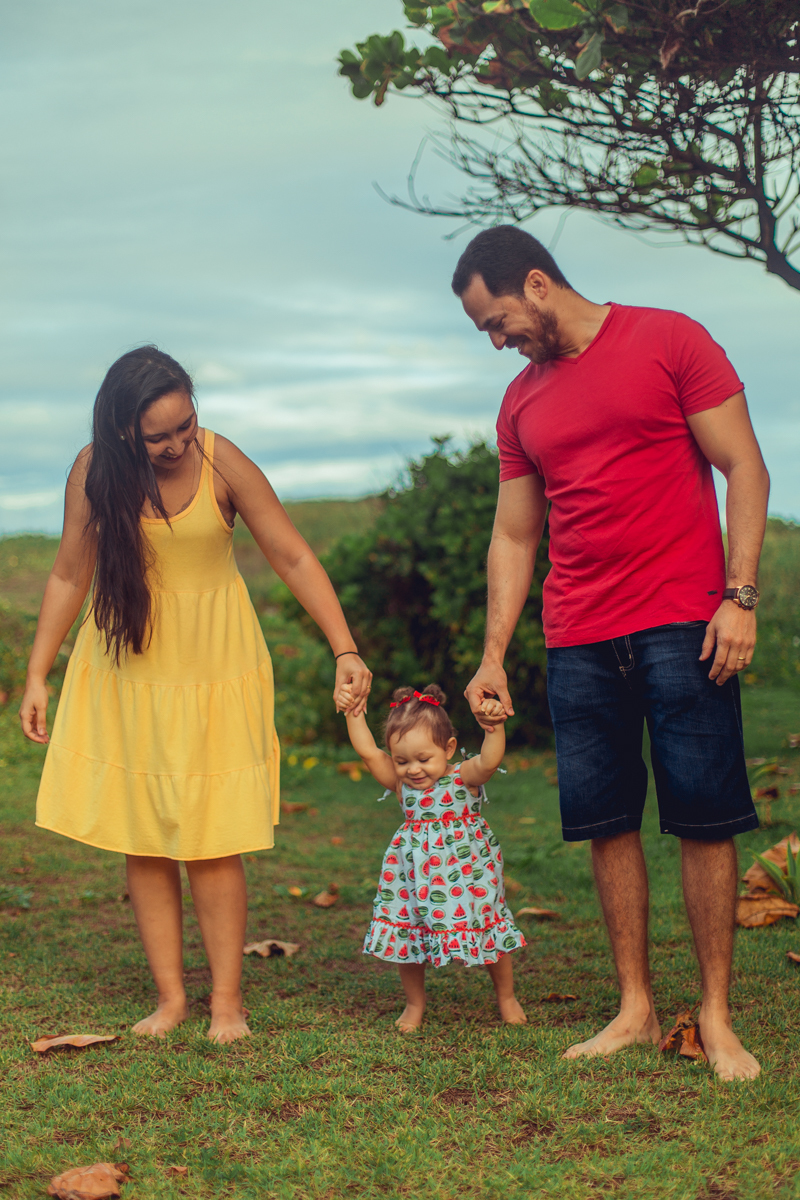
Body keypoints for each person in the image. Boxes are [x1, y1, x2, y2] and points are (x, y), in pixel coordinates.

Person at [454, 225, 770, 1081]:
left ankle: (714, 1015)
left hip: (683, 621)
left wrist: (739, 596)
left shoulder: (670, 339)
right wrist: (493, 655)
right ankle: (634, 1007)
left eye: (499, 320)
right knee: (607, 821)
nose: (498, 341)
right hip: (579, 634)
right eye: (485, 330)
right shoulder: (521, 403)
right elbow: (515, 536)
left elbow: (744, 466)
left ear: (536, 283)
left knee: (703, 815)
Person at [19, 346, 371, 1044]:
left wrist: (345, 646)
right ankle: (173, 999)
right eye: (160, 436)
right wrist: (38, 673)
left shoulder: (220, 461)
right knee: (144, 836)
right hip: (128, 671)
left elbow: (292, 553)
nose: (178, 443)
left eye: (187, 424)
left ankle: (228, 1005)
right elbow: (66, 574)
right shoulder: (94, 473)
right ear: (124, 430)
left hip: (216, 670)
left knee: (214, 837)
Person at [338, 681, 526, 1031]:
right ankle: (414, 1004)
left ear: (449, 748)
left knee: (487, 927)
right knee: (408, 935)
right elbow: (367, 751)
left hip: (467, 873)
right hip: (412, 877)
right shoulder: (401, 785)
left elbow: (490, 759)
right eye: (402, 760)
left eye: (424, 758)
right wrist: (353, 712)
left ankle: (507, 997)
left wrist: (494, 727)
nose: (413, 769)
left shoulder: (462, 777)